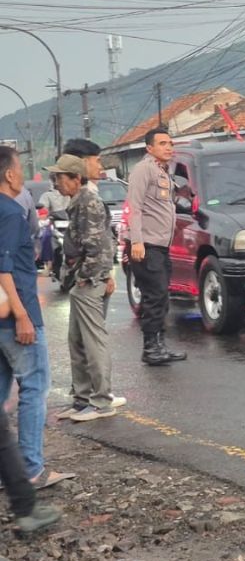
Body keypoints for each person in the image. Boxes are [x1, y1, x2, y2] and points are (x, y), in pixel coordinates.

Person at [0, 146, 74, 489]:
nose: (24, 178)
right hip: (16, 314)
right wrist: (22, 315)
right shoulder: (12, 213)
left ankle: (10, 472)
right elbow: (5, 268)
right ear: (10, 175)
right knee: (34, 387)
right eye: (21, 170)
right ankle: (30, 468)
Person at [52, 149, 125, 423]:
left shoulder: (88, 203)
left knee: (93, 342)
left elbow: (99, 244)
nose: (56, 183)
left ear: (74, 178)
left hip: (89, 281)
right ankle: (82, 399)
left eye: (59, 178)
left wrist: (89, 276)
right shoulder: (78, 202)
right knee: (77, 341)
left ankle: (101, 401)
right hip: (82, 279)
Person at [126, 128, 186, 366]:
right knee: (154, 296)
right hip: (147, 245)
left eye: (170, 143)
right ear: (149, 148)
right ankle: (150, 348)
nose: (168, 147)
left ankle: (159, 345)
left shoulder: (163, 171)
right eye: (162, 143)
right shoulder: (143, 169)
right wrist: (137, 241)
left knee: (162, 297)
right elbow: (135, 207)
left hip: (160, 246)